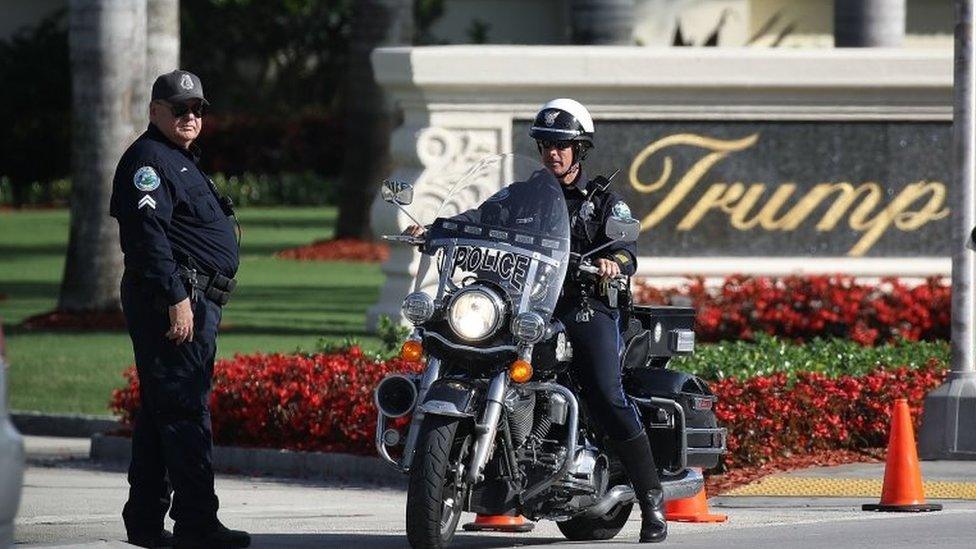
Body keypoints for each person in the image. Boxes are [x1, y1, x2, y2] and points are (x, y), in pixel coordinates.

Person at [406, 98, 667, 543]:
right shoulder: (522, 193)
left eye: (563, 145)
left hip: (585, 305)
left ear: (580, 149)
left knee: (606, 391)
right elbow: (477, 219)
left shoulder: (603, 202)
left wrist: (615, 263)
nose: (553, 153)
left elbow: (627, 252)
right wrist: (435, 229)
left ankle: (651, 500)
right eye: (546, 144)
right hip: (527, 305)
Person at [109, 70, 249, 549]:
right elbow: (146, 239)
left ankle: (146, 522)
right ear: (155, 112)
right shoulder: (149, 161)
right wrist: (176, 299)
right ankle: (197, 523)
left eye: (197, 109)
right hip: (173, 301)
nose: (190, 116)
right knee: (185, 411)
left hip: (194, 298)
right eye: (179, 108)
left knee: (161, 413)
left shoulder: (178, 158)